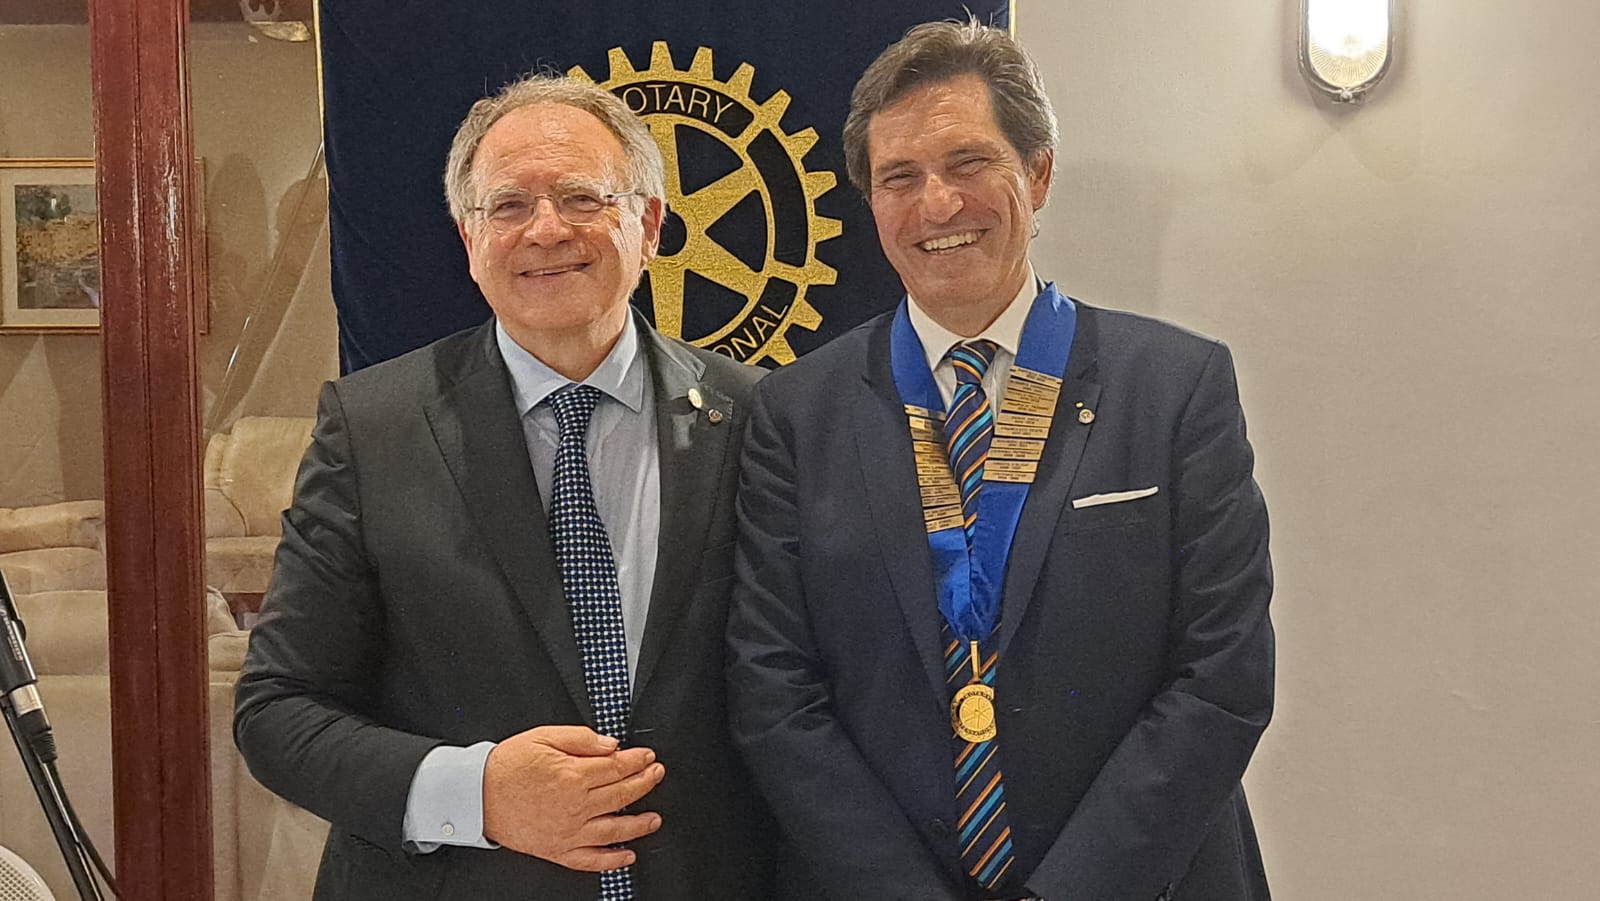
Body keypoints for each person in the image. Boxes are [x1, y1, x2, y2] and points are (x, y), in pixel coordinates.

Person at [727, 20, 1274, 901]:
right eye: (900, 177)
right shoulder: (795, 412)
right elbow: (773, 691)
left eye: (969, 162)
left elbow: (1222, 677)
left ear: (1039, 173)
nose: (938, 204)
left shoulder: (1176, 388)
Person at [235, 74, 772, 900]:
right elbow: (278, 710)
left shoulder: (758, 416)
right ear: (469, 238)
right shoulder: (371, 430)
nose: (546, 229)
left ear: (650, 224)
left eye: (583, 197)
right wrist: (476, 793)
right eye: (509, 205)